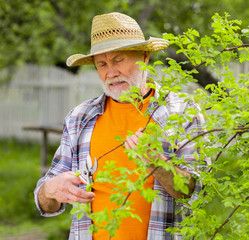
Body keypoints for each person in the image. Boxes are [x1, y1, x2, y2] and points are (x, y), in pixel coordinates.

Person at [34, 12, 209, 240]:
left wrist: (157, 163)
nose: (111, 72)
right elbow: (45, 200)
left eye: (119, 60)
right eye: (102, 64)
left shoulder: (183, 112)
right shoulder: (79, 118)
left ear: (144, 57)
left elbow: (195, 191)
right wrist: (49, 190)